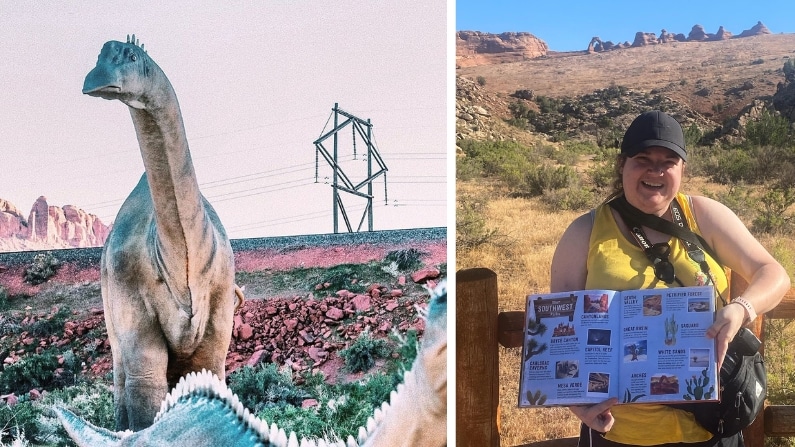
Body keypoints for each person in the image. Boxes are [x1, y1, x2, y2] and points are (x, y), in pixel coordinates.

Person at [550, 110, 790, 447]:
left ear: (681, 169)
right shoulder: (585, 231)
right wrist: (579, 407)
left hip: (707, 425)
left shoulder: (704, 215)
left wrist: (741, 309)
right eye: (643, 158)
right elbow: (561, 334)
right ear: (622, 165)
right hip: (619, 431)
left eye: (668, 161)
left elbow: (774, 274)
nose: (655, 170)